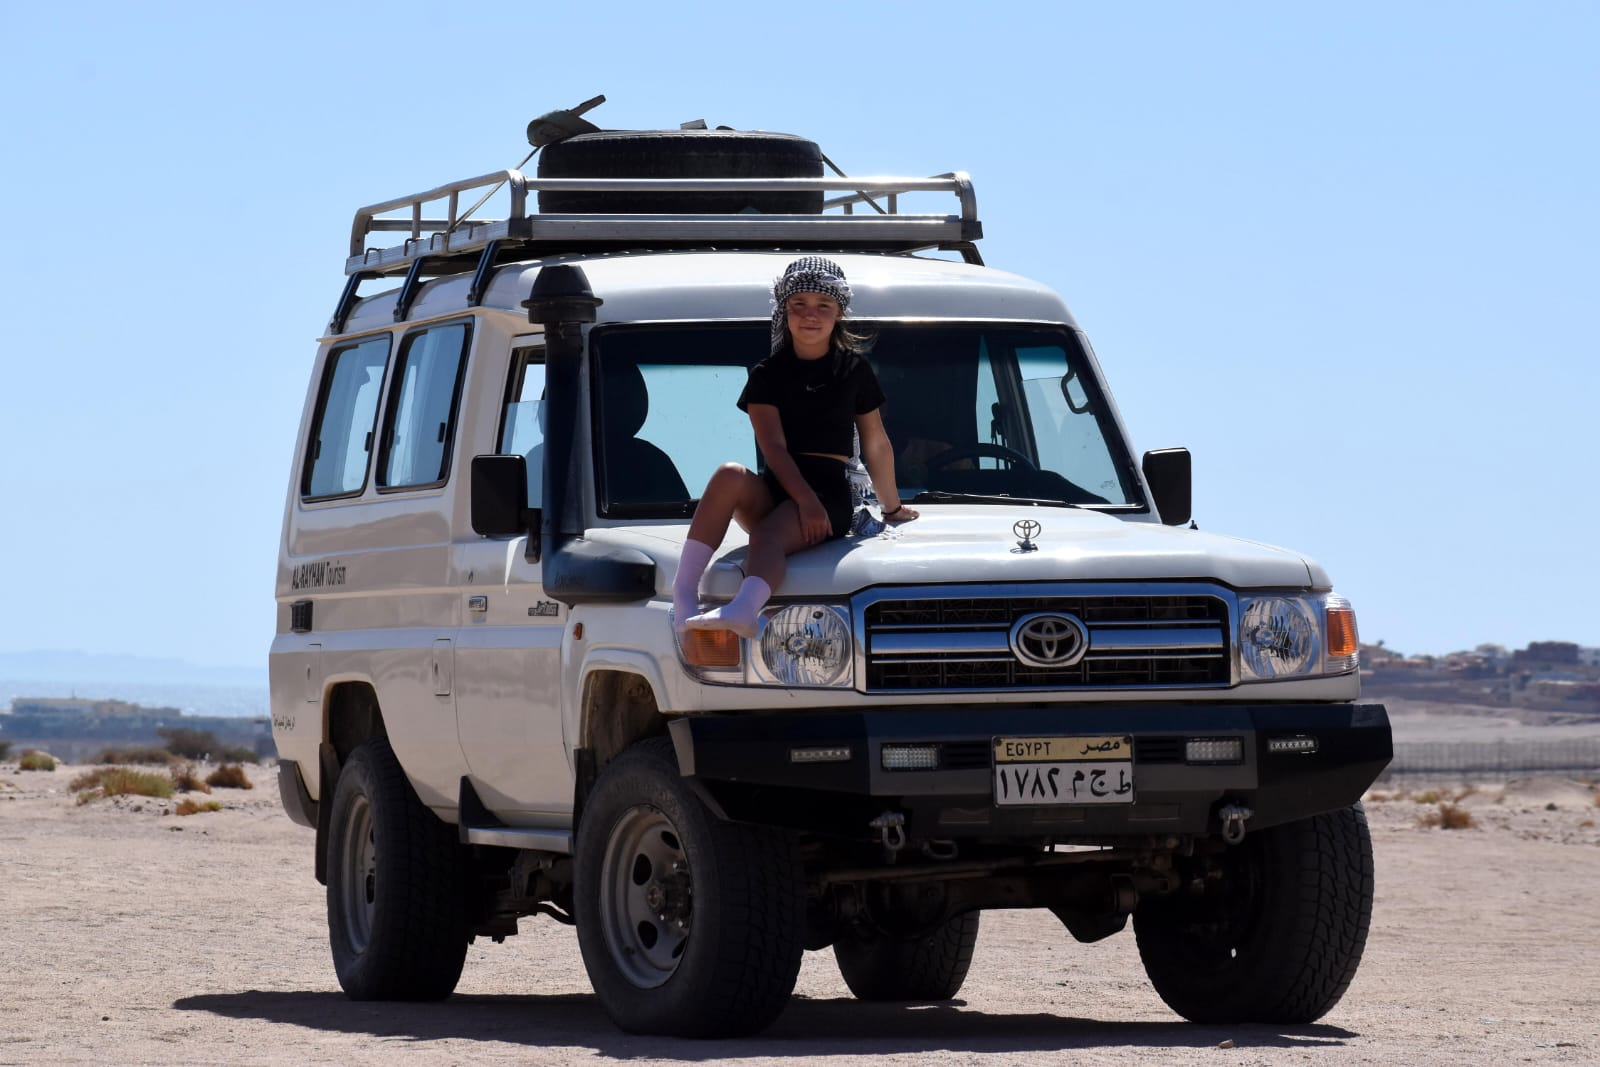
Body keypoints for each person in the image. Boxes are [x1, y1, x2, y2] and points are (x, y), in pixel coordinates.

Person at [673, 256, 918, 636]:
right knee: (727, 475)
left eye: (823, 305)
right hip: (782, 485)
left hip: (829, 495)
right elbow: (773, 448)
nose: (810, 315)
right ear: (784, 311)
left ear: (839, 312)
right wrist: (802, 499)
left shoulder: (853, 369)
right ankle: (683, 597)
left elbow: (876, 443)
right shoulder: (768, 375)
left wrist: (892, 506)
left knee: (767, 536)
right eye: (798, 305)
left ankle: (743, 610)